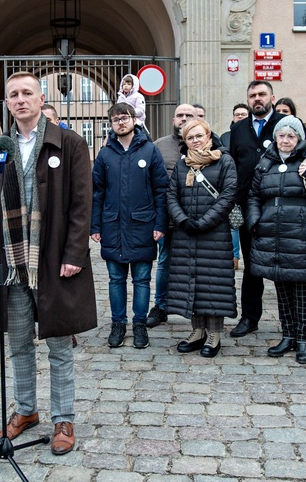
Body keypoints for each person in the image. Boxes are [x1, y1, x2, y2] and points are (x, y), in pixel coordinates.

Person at [0, 71, 96, 456]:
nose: (21, 100)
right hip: (12, 260)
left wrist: (75, 253)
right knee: (19, 341)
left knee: (59, 342)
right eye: (13, 95)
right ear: (7, 103)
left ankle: (63, 417)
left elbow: (81, 204)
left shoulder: (70, 143)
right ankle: (26, 410)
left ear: (41, 100)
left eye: (27, 93)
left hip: (54, 259)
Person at [247, 116, 306, 364]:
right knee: (282, 289)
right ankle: (288, 335)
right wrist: (255, 219)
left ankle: (304, 340)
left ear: (299, 138)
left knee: (303, 292)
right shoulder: (266, 161)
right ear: (275, 137)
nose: (286, 140)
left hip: (303, 236)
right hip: (273, 235)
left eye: (291, 136)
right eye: (282, 135)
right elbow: (254, 195)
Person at [91, 103, 169, 349]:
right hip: (112, 224)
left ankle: (139, 325)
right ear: (111, 124)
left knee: (142, 279)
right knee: (116, 279)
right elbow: (97, 192)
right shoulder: (105, 154)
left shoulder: (150, 151)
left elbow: (161, 190)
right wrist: (95, 226)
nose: (120, 122)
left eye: (124, 118)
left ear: (134, 120)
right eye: (115, 120)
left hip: (142, 224)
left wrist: (160, 223)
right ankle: (118, 324)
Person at [166, 119, 237, 358]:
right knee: (192, 282)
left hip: (214, 234)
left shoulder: (224, 161)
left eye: (199, 136)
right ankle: (197, 331)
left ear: (208, 135)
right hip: (186, 233)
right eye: (190, 138)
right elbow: (171, 195)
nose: (195, 141)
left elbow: (228, 196)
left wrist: (204, 222)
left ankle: (214, 334)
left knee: (213, 283)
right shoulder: (182, 165)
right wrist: (182, 220)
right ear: (185, 141)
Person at [228, 80, 286, 337]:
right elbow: (232, 167)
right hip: (246, 207)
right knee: (251, 266)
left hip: (279, 206)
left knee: (284, 265)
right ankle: (250, 317)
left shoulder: (284, 126)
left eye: (262, 94)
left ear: (272, 97)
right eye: (252, 95)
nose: (257, 99)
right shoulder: (238, 129)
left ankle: (290, 321)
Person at [147, 103, 196, 328]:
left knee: (196, 263)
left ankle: (196, 306)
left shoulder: (206, 144)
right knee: (165, 261)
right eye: (179, 115)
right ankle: (161, 306)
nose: (183, 119)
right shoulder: (159, 146)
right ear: (173, 120)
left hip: (197, 217)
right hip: (167, 217)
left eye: (188, 115)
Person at [220, 103, 249, 271]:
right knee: (234, 222)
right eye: (237, 114)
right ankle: (234, 256)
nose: (240, 116)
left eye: (243, 114)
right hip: (231, 186)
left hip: (248, 186)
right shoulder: (226, 136)